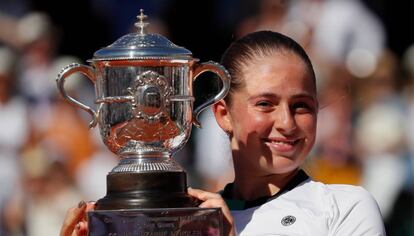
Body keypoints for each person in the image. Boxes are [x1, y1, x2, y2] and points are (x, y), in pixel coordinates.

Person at [60, 31, 385, 236]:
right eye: (266, 104)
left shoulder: (345, 207)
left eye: (301, 106)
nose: (287, 123)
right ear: (222, 113)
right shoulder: (185, 220)